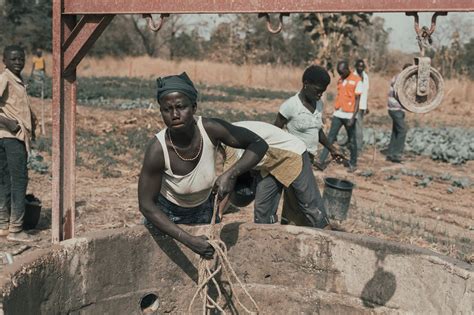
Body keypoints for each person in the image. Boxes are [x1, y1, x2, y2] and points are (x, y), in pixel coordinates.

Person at [138, 72, 268, 259]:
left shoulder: (210, 130)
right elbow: (146, 205)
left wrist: (231, 174)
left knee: (208, 266)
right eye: (167, 109)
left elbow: (258, 143)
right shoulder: (157, 149)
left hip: (204, 209)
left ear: (194, 107)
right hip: (167, 216)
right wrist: (188, 240)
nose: (175, 115)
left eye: (181, 107)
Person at [223, 121, 330, 228]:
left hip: (290, 153)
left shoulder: (228, 140)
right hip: (270, 162)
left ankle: (328, 237)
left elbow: (227, 183)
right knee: (263, 208)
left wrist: (217, 214)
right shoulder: (225, 132)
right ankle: (266, 239)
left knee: (310, 205)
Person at [0, 45, 38, 242]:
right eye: (13, 59)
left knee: (5, 181)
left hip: (7, 137)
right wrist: (7, 122)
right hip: (11, 137)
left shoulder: (17, 80)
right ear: (4, 60)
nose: (18, 63)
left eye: (21, 59)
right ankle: (16, 229)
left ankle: (3, 224)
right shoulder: (5, 78)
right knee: (19, 181)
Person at [273, 65, 344, 169]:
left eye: (323, 92)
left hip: (308, 162)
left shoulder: (319, 104)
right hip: (291, 161)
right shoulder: (291, 106)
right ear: (306, 84)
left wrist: (332, 149)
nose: (320, 95)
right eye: (317, 90)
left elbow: (317, 130)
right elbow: (274, 132)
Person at [319, 61, 363, 172]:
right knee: (330, 137)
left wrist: (353, 117)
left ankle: (353, 164)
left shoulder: (357, 80)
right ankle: (321, 161)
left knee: (352, 140)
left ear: (348, 69)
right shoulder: (340, 80)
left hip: (349, 115)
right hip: (338, 113)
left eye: (342, 72)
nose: (341, 75)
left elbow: (358, 100)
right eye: (339, 73)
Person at [386, 64, 411, 163]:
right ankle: (396, 154)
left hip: (395, 108)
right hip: (396, 108)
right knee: (402, 131)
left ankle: (391, 154)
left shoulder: (397, 77)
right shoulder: (400, 79)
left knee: (396, 131)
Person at [354, 59, 369, 153]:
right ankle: (357, 146)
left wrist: (366, 105)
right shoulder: (352, 76)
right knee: (356, 126)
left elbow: (366, 92)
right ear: (356, 66)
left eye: (362, 66)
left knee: (358, 125)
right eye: (359, 66)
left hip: (362, 105)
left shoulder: (366, 76)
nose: (360, 68)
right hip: (354, 105)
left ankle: (357, 146)